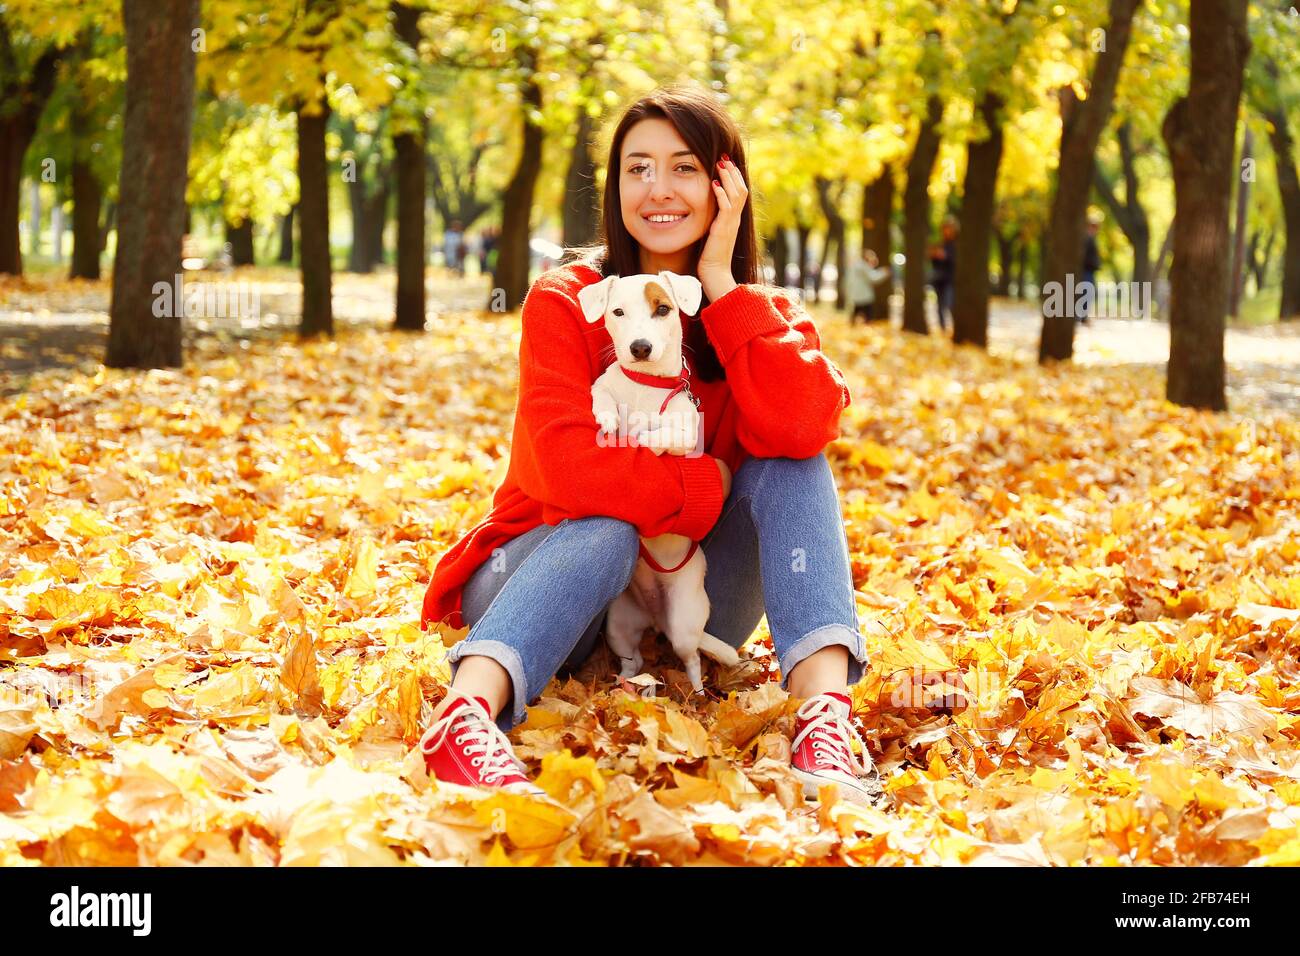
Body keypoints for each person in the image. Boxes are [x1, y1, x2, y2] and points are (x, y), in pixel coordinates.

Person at [416, 85, 883, 807]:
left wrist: (723, 289)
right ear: (616, 186)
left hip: (684, 598)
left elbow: (802, 426)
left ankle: (824, 720)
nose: (657, 189)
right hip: (541, 575)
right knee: (604, 526)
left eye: (684, 167)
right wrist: (703, 490)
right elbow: (571, 472)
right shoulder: (569, 298)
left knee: (793, 461)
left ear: (727, 184)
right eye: (637, 169)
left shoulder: (761, 313)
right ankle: (466, 713)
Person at [844, 246, 890, 325]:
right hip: (864, 296)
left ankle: (853, 326)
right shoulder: (863, 266)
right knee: (868, 315)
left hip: (856, 294)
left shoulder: (856, 265)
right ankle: (866, 327)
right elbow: (873, 277)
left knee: (856, 313)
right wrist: (884, 272)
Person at [928, 218, 958, 334]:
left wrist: (946, 257)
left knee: (949, 304)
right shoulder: (941, 243)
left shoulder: (956, 245)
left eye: (949, 228)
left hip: (950, 279)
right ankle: (942, 329)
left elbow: (955, 262)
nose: (946, 231)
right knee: (940, 306)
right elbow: (935, 263)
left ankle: (955, 328)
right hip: (939, 280)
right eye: (945, 228)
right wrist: (934, 256)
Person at [1079, 217, 1102, 327]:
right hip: (1086, 271)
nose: (1096, 230)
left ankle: (1082, 316)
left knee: (1088, 293)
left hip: (1089, 271)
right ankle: (1081, 317)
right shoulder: (1087, 239)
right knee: (1086, 293)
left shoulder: (1089, 239)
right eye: (1094, 227)